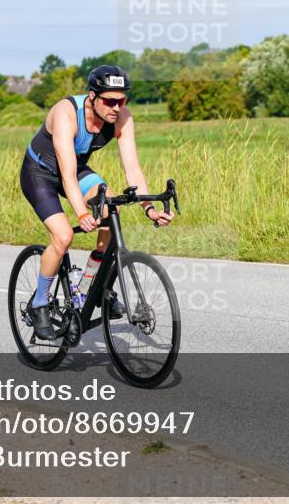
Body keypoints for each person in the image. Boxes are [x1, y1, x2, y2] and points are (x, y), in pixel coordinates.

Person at [19, 65, 174, 339]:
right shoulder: (66, 113)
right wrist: (80, 213)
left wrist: (149, 208)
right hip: (41, 173)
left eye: (122, 100)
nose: (116, 107)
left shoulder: (122, 118)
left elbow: (133, 169)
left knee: (109, 211)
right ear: (92, 96)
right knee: (64, 236)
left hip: (77, 170)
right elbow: (66, 175)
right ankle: (39, 302)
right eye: (109, 101)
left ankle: (88, 287)